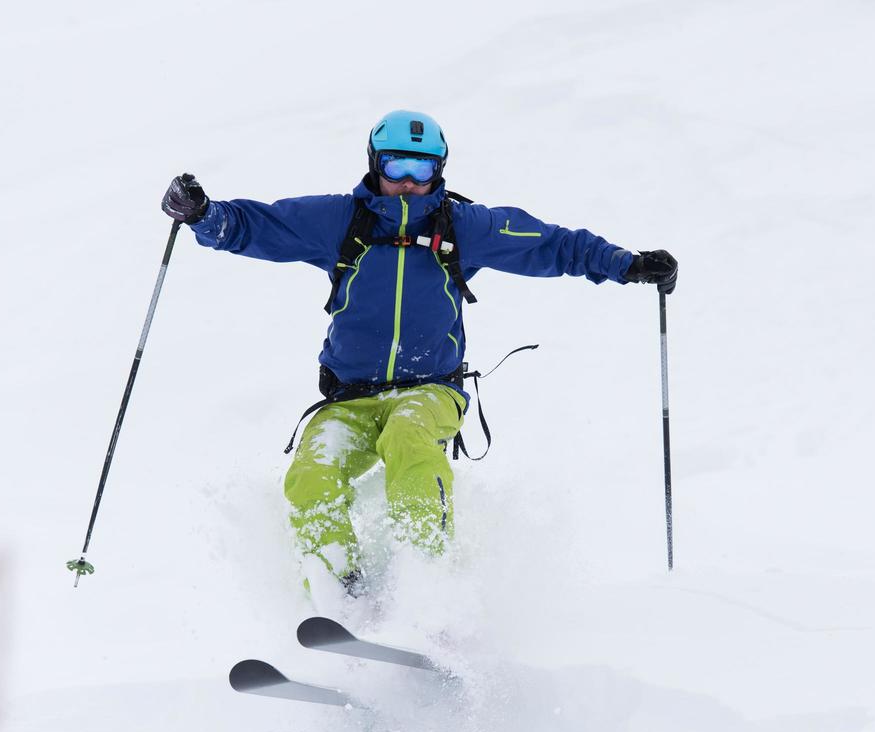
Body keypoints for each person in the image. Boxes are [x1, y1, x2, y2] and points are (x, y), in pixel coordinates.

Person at [162, 109, 678, 594]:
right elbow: (256, 226)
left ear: (440, 169)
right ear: (374, 164)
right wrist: (204, 215)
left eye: (422, 167)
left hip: (431, 390)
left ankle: (426, 588)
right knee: (312, 470)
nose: (409, 180)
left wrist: (626, 264)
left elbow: (551, 244)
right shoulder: (339, 221)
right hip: (349, 399)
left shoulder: (463, 227)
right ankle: (341, 594)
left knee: (409, 437)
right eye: (396, 165)